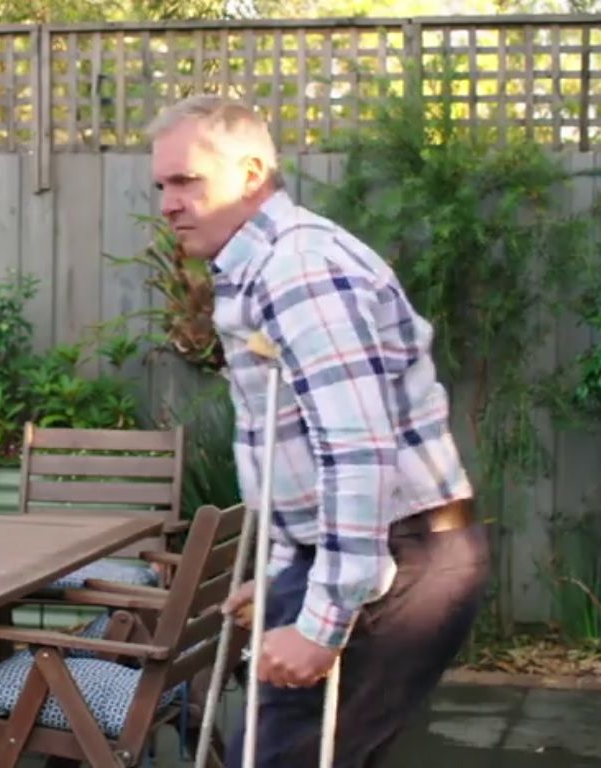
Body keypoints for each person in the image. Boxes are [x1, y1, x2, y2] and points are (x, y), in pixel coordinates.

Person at [146, 94, 491, 767]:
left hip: (399, 553)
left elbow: (356, 452)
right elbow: (290, 451)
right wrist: (282, 578)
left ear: (250, 175)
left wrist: (321, 624)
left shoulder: (300, 270)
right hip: (381, 549)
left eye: (186, 181)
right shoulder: (261, 267)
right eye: (162, 185)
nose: (168, 204)